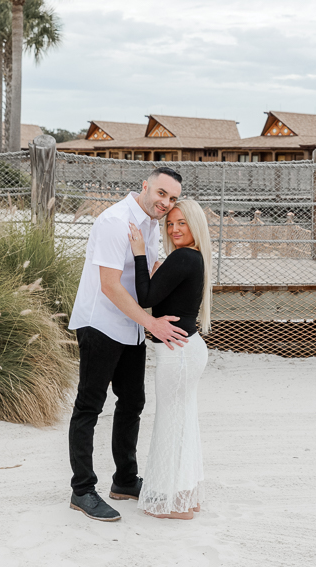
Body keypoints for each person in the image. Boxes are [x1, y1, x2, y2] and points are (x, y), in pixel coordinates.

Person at [67, 167, 189, 522]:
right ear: (145, 186)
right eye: (162, 194)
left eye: (172, 198)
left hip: (131, 326)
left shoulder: (152, 225)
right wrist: (151, 322)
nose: (166, 203)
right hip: (100, 323)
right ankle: (82, 490)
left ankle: (124, 481)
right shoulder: (114, 221)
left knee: (133, 401)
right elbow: (109, 284)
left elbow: (145, 277)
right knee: (89, 406)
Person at [127, 199, 213, 520]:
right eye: (170, 224)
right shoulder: (194, 258)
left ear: (195, 227)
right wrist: (156, 272)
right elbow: (161, 295)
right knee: (183, 423)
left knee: (170, 424)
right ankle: (185, 498)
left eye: (182, 223)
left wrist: (138, 253)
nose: (174, 229)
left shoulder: (183, 257)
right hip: (187, 349)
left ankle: (174, 506)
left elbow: (146, 298)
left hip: (177, 354)